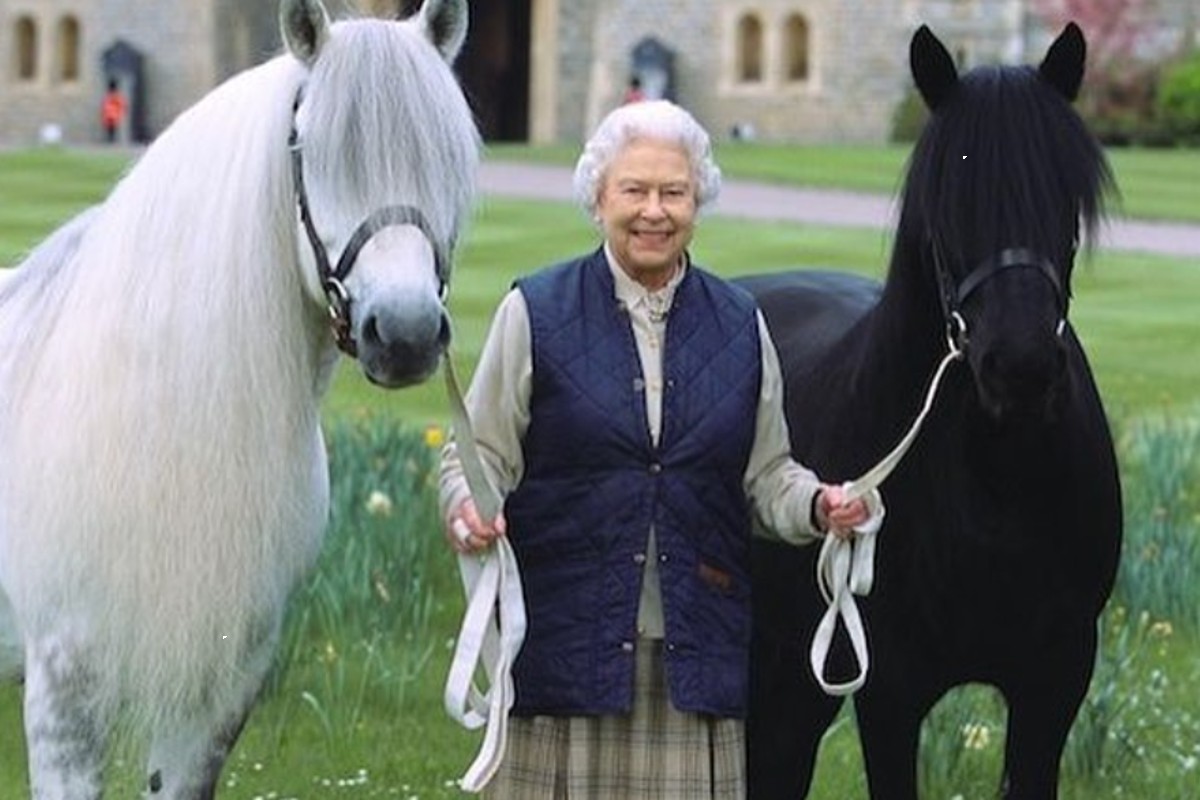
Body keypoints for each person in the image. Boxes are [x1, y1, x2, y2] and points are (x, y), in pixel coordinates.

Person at [439, 99, 880, 798]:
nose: (654, 211)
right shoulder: (534, 312)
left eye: (674, 192)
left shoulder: (740, 326)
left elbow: (767, 476)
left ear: (698, 201)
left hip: (692, 660)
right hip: (565, 653)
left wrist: (821, 507)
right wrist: (467, 505)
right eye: (634, 190)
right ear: (598, 199)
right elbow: (477, 454)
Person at [100, 79, 127, 144]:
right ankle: (111, 139)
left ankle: (111, 139)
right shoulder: (116, 96)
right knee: (112, 129)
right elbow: (122, 105)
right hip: (113, 115)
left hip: (109, 114)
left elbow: (104, 105)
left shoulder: (109, 96)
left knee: (111, 129)